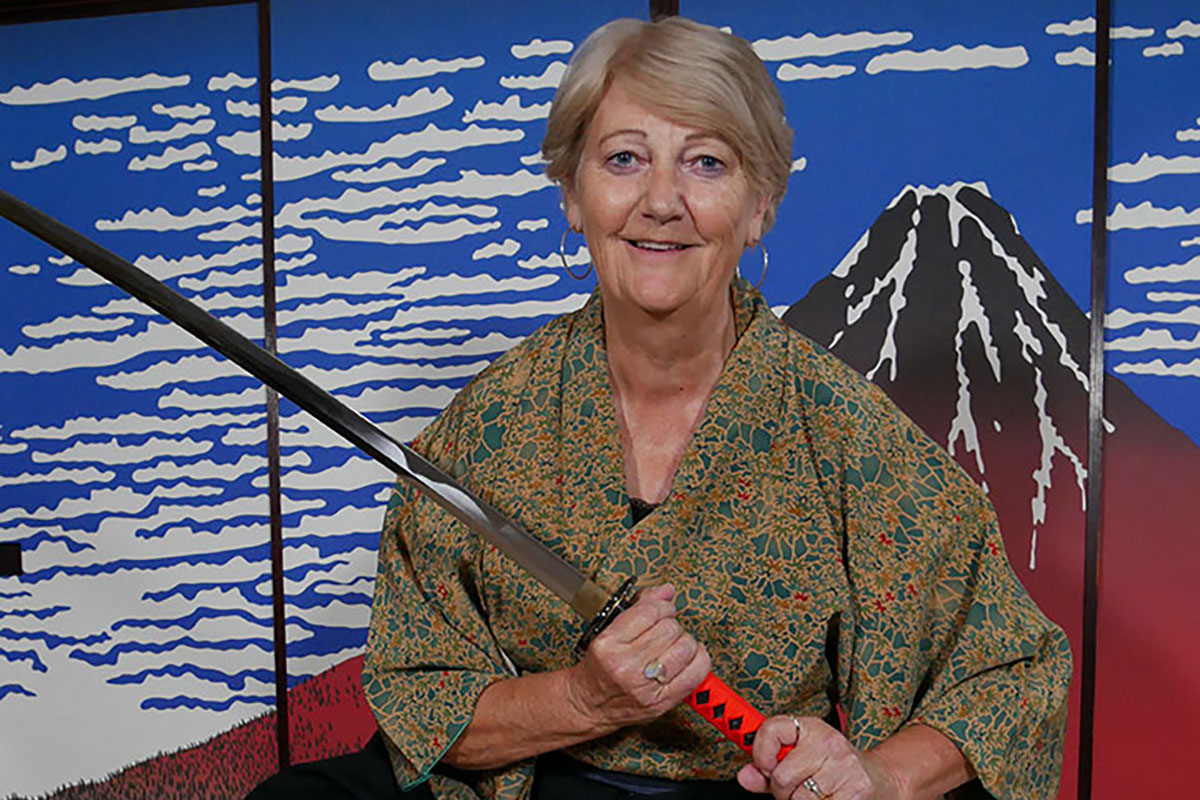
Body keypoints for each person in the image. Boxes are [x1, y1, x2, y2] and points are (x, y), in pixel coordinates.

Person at [251, 15, 1071, 800]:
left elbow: (1013, 675)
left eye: (706, 162)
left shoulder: (845, 434)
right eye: (624, 159)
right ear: (573, 196)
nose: (662, 200)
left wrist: (876, 777)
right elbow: (423, 708)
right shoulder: (485, 429)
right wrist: (585, 700)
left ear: (759, 208)